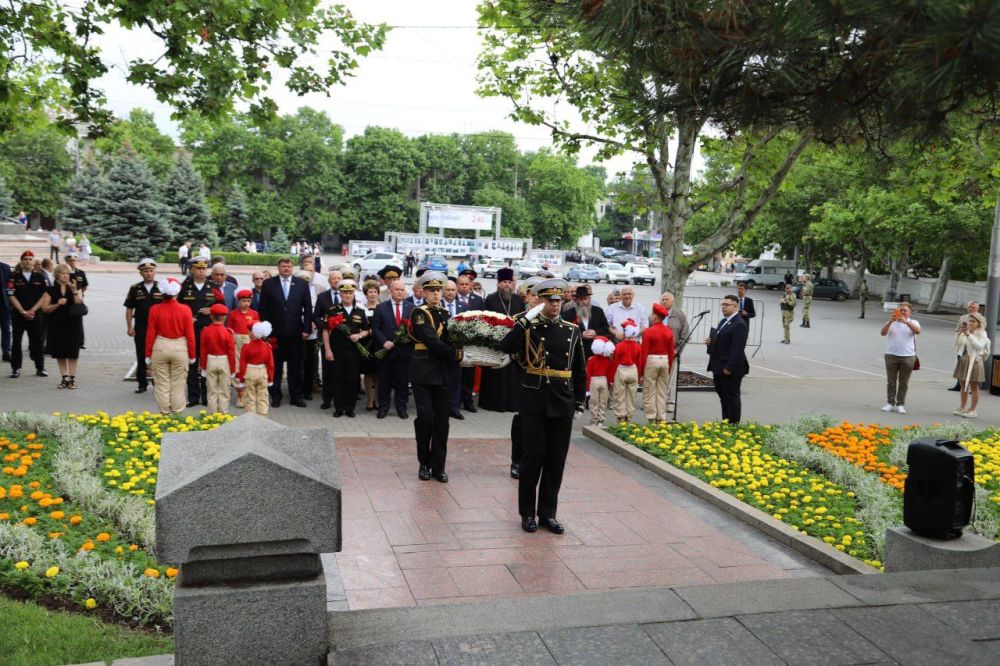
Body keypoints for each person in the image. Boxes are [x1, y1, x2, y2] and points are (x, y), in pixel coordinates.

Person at [499, 278, 585, 534]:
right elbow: (505, 346)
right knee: (532, 458)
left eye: (558, 300)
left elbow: (580, 369)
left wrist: (579, 401)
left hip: (562, 400)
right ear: (541, 302)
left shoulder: (572, 330)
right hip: (535, 400)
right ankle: (527, 513)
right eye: (549, 300)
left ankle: (548, 513)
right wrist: (524, 321)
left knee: (556, 460)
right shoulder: (528, 326)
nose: (555, 305)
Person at [409, 271, 461, 483]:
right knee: (425, 419)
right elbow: (431, 340)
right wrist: (456, 354)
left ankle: (438, 466)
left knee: (442, 422)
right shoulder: (419, 313)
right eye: (432, 291)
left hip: (444, 373)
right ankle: (424, 463)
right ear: (423, 292)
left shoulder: (447, 315)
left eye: (439, 290)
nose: (436, 294)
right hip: (423, 372)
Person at [257, 258, 313, 408]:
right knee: (276, 367)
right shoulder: (269, 284)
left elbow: (308, 309)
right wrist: (266, 330)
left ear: (292, 268)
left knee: (295, 367)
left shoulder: (301, 284)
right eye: (283, 266)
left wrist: (306, 329)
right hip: (275, 333)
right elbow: (263, 308)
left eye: (288, 266)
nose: (286, 268)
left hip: (296, 333)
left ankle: (296, 396)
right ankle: (276, 396)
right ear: (278, 268)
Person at [145, 278, 195, 415]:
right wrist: (192, 355)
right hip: (179, 347)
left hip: (160, 346)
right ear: (177, 292)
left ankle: (164, 414)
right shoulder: (185, 310)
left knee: (161, 384)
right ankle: (177, 414)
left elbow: (150, 333)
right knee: (178, 384)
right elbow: (190, 335)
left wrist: (148, 354)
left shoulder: (155, 309)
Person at [322, 280, 371, 418]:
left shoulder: (360, 312)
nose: (348, 295)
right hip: (337, 350)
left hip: (353, 351)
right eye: (345, 293)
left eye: (350, 293)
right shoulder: (332, 311)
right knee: (337, 379)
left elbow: (367, 330)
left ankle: (350, 408)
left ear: (354, 294)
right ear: (340, 293)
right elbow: (325, 331)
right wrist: (327, 350)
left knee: (352, 379)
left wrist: (359, 335)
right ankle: (339, 407)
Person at [479, 267, 524, 412]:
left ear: (513, 284)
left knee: (512, 376)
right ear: (498, 283)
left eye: (509, 282)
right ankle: (492, 404)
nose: (506, 285)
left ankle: (512, 404)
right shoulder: (490, 299)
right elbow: (485, 321)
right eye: (504, 282)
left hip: (514, 345)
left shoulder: (518, 300)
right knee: (496, 376)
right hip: (496, 344)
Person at [178, 256, 222, 406]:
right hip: (190, 332)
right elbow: (177, 308)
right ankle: (193, 397)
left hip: (208, 332)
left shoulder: (213, 287)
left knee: (207, 364)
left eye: (204, 268)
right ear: (192, 270)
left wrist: (211, 310)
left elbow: (223, 309)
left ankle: (206, 397)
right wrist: (186, 319)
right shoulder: (185, 287)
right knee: (191, 364)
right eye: (198, 268)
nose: (201, 271)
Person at [373, 279, 414, 419]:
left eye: (402, 290)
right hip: (386, 352)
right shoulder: (381, 308)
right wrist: (384, 342)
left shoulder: (412, 308)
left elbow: (414, 330)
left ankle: (401, 408)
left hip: (404, 352)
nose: (400, 292)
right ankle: (383, 407)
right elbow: (375, 328)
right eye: (397, 289)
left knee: (402, 382)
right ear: (390, 291)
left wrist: (407, 338)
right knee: (384, 381)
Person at [39, 264, 84, 389]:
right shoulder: (51, 290)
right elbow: (44, 308)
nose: (66, 276)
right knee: (61, 352)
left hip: (74, 324)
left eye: (67, 273)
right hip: (57, 324)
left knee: (73, 352)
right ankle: (64, 378)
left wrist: (74, 290)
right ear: (57, 275)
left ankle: (72, 378)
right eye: (63, 273)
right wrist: (57, 304)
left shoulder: (75, 287)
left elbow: (79, 303)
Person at [706, 295, 750, 423]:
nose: (723, 307)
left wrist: (729, 367)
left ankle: (733, 425)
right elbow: (721, 341)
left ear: (735, 306)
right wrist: (710, 342)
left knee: (731, 397)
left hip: (729, 368)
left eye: (727, 305)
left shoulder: (739, 324)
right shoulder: (723, 321)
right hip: (718, 365)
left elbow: (738, 348)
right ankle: (725, 422)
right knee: (723, 397)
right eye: (723, 304)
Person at [123, 259, 163, 394]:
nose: (149, 273)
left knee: (158, 356)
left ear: (155, 272)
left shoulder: (161, 287)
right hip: (141, 327)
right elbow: (129, 309)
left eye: (151, 271)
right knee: (141, 355)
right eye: (145, 271)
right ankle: (142, 383)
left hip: (159, 328)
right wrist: (129, 327)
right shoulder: (135, 289)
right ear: (140, 273)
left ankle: (158, 382)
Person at [8, 251, 48, 378]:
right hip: (19, 315)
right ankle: (15, 368)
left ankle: (40, 368)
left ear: (33, 261)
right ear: (21, 261)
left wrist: (33, 310)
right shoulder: (13, 277)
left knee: (38, 341)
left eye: (30, 259)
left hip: (36, 314)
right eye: (25, 259)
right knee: (16, 342)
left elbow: (44, 295)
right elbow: (11, 295)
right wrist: (23, 312)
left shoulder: (40, 276)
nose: (27, 261)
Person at [880, 302, 920, 414]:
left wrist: (906, 322)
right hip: (891, 355)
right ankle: (890, 403)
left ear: (909, 312)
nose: (902, 312)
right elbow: (882, 333)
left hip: (908, 356)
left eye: (905, 310)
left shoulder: (913, 322)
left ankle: (900, 404)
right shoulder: (892, 322)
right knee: (891, 381)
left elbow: (918, 331)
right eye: (900, 310)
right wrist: (890, 321)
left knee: (903, 382)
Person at [641, 304, 676, 423]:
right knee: (662, 391)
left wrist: (641, 371)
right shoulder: (669, 331)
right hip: (665, 360)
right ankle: (661, 418)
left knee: (649, 390)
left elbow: (644, 352)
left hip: (652, 360)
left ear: (655, 317)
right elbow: (671, 352)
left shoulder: (648, 332)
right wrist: (669, 366)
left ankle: (651, 417)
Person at [200, 304, 236, 414]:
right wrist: (233, 369)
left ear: (211, 316)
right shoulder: (228, 332)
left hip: (210, 360)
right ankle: (223, 413)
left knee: (211, 390)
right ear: (225, 317)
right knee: (224, 390)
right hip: (224, 360)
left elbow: (203, 351)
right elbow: (231, 352)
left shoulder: (205, 331)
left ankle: (212, 414)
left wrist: (203, 367)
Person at [227, 289, 260, 409]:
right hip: (237, 341)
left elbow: (257, 328)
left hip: (250, 340)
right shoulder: (233, 314)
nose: (246, 303)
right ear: (238, 301)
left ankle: (249, 394)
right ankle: (240, 395)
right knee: (238, 367)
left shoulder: (254, 314)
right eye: (243, 301)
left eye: (248, 301)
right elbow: (230, 329)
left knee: (249, 366)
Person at [313, 272, 342, 410]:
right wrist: (325, 325)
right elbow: (316, 316)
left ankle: (340, 399)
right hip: (327, 338)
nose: (336, 280)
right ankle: (327, 399)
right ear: (329, 281)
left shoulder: (347, 295)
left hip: (343, 339)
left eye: (338, 278)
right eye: (333, 278)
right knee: (327, 369)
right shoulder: (322, 296)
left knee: (340, 370)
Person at [659, 292, 690, 414]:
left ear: (673, 301)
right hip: (657, 352)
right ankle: (659, 401)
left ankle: (670, 402)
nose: (664, 302)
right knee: (659, 377)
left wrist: (677, 350)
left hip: (672, 351)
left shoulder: (679, 315)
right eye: (662, 299)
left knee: (671, 378)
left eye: (667, 299)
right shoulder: (656, 314)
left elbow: (685, 335)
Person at [953, 312, 988, 418]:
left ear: (978, 323)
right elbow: (956, 344)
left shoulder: (982, 333)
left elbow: (979, 346)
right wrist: (959, 334)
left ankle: (972, 409)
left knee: (974, 386)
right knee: (963, 384)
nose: (971, 323)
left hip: (975, 361)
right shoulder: (965, 331)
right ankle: (963, 407)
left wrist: (969, 335)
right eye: (969, 321)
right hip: (964, 360)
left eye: (973, 321)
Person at [237, 321, 275, 417]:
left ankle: (250, 419)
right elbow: (270, 364)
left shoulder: (246, 347)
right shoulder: (267, 346)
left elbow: (242, 364)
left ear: (251, 332)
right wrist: (270, 378)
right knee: (263, 397)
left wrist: (241, 379)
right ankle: (262, 418)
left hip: (249, 372)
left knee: (250, 397)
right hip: (262, 372)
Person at [562, 285, 610, 357]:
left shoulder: (598, 311)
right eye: (580, 299)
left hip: (596, 351)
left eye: (585, 299)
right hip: (577, 351)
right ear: (576, 300)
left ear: (589, 299)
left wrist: (595, 332)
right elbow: (565, 331)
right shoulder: (569, 314)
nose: (583, 302)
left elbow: (605, 328)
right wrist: (581, 334)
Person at [610, 319, 642, 423]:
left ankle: (621, 416)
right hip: (633, 370)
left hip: (622, 370)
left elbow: (615, 362)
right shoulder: (638, 346)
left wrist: (612, 377)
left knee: (620, 394)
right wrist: (639, 375)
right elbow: (639, 362)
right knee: (631, 395)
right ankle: (629, 415)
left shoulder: (619, 346)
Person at [296, 269, 320, 401]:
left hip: (312, 332)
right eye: (302, 280)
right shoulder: (294, 291)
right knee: (297, 362)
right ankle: (297, 389)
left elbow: (317, 311)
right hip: (296, 331)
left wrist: (314, 323)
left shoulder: (314, 291)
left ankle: (307, 389)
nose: (305, 282)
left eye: (307, 280)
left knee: (310, 362)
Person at [949, 301, 980, 391]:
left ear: (977, 309)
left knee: (972, 367)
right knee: (960, 365)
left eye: (973, 307)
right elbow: (957, 329)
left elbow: (981, 331)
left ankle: (971, 387)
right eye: (969, 307)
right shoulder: (963, 317)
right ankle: (959, 384)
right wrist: (960, 332)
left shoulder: (980, 318)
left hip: (973, 345)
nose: (970, 309)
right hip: (963, 344)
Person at [361, 280, 381, 411]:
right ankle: (369, 400)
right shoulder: (362, 308)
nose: (373, 294)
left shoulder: (383, 307)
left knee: (379, 373)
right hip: (366, 345)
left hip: (380, 344)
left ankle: (378, 400)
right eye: (370, 292)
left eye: (375, 291)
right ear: (366, 294)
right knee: (368, 373)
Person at [586, 336, 614, 426]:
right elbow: (610, 372)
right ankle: (601, 420)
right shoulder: (607, 360)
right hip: (604, 380)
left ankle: (593, 420)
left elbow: (588, 374)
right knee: (603, 401)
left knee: (594, 401)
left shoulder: (591, 360)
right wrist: (609, 383)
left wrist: (587, 387)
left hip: (594, 380)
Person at [0, 259, 11, 362]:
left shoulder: (5, 267)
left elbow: (10, 286)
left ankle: (6, 352)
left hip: (4, 303)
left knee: (6, 329)